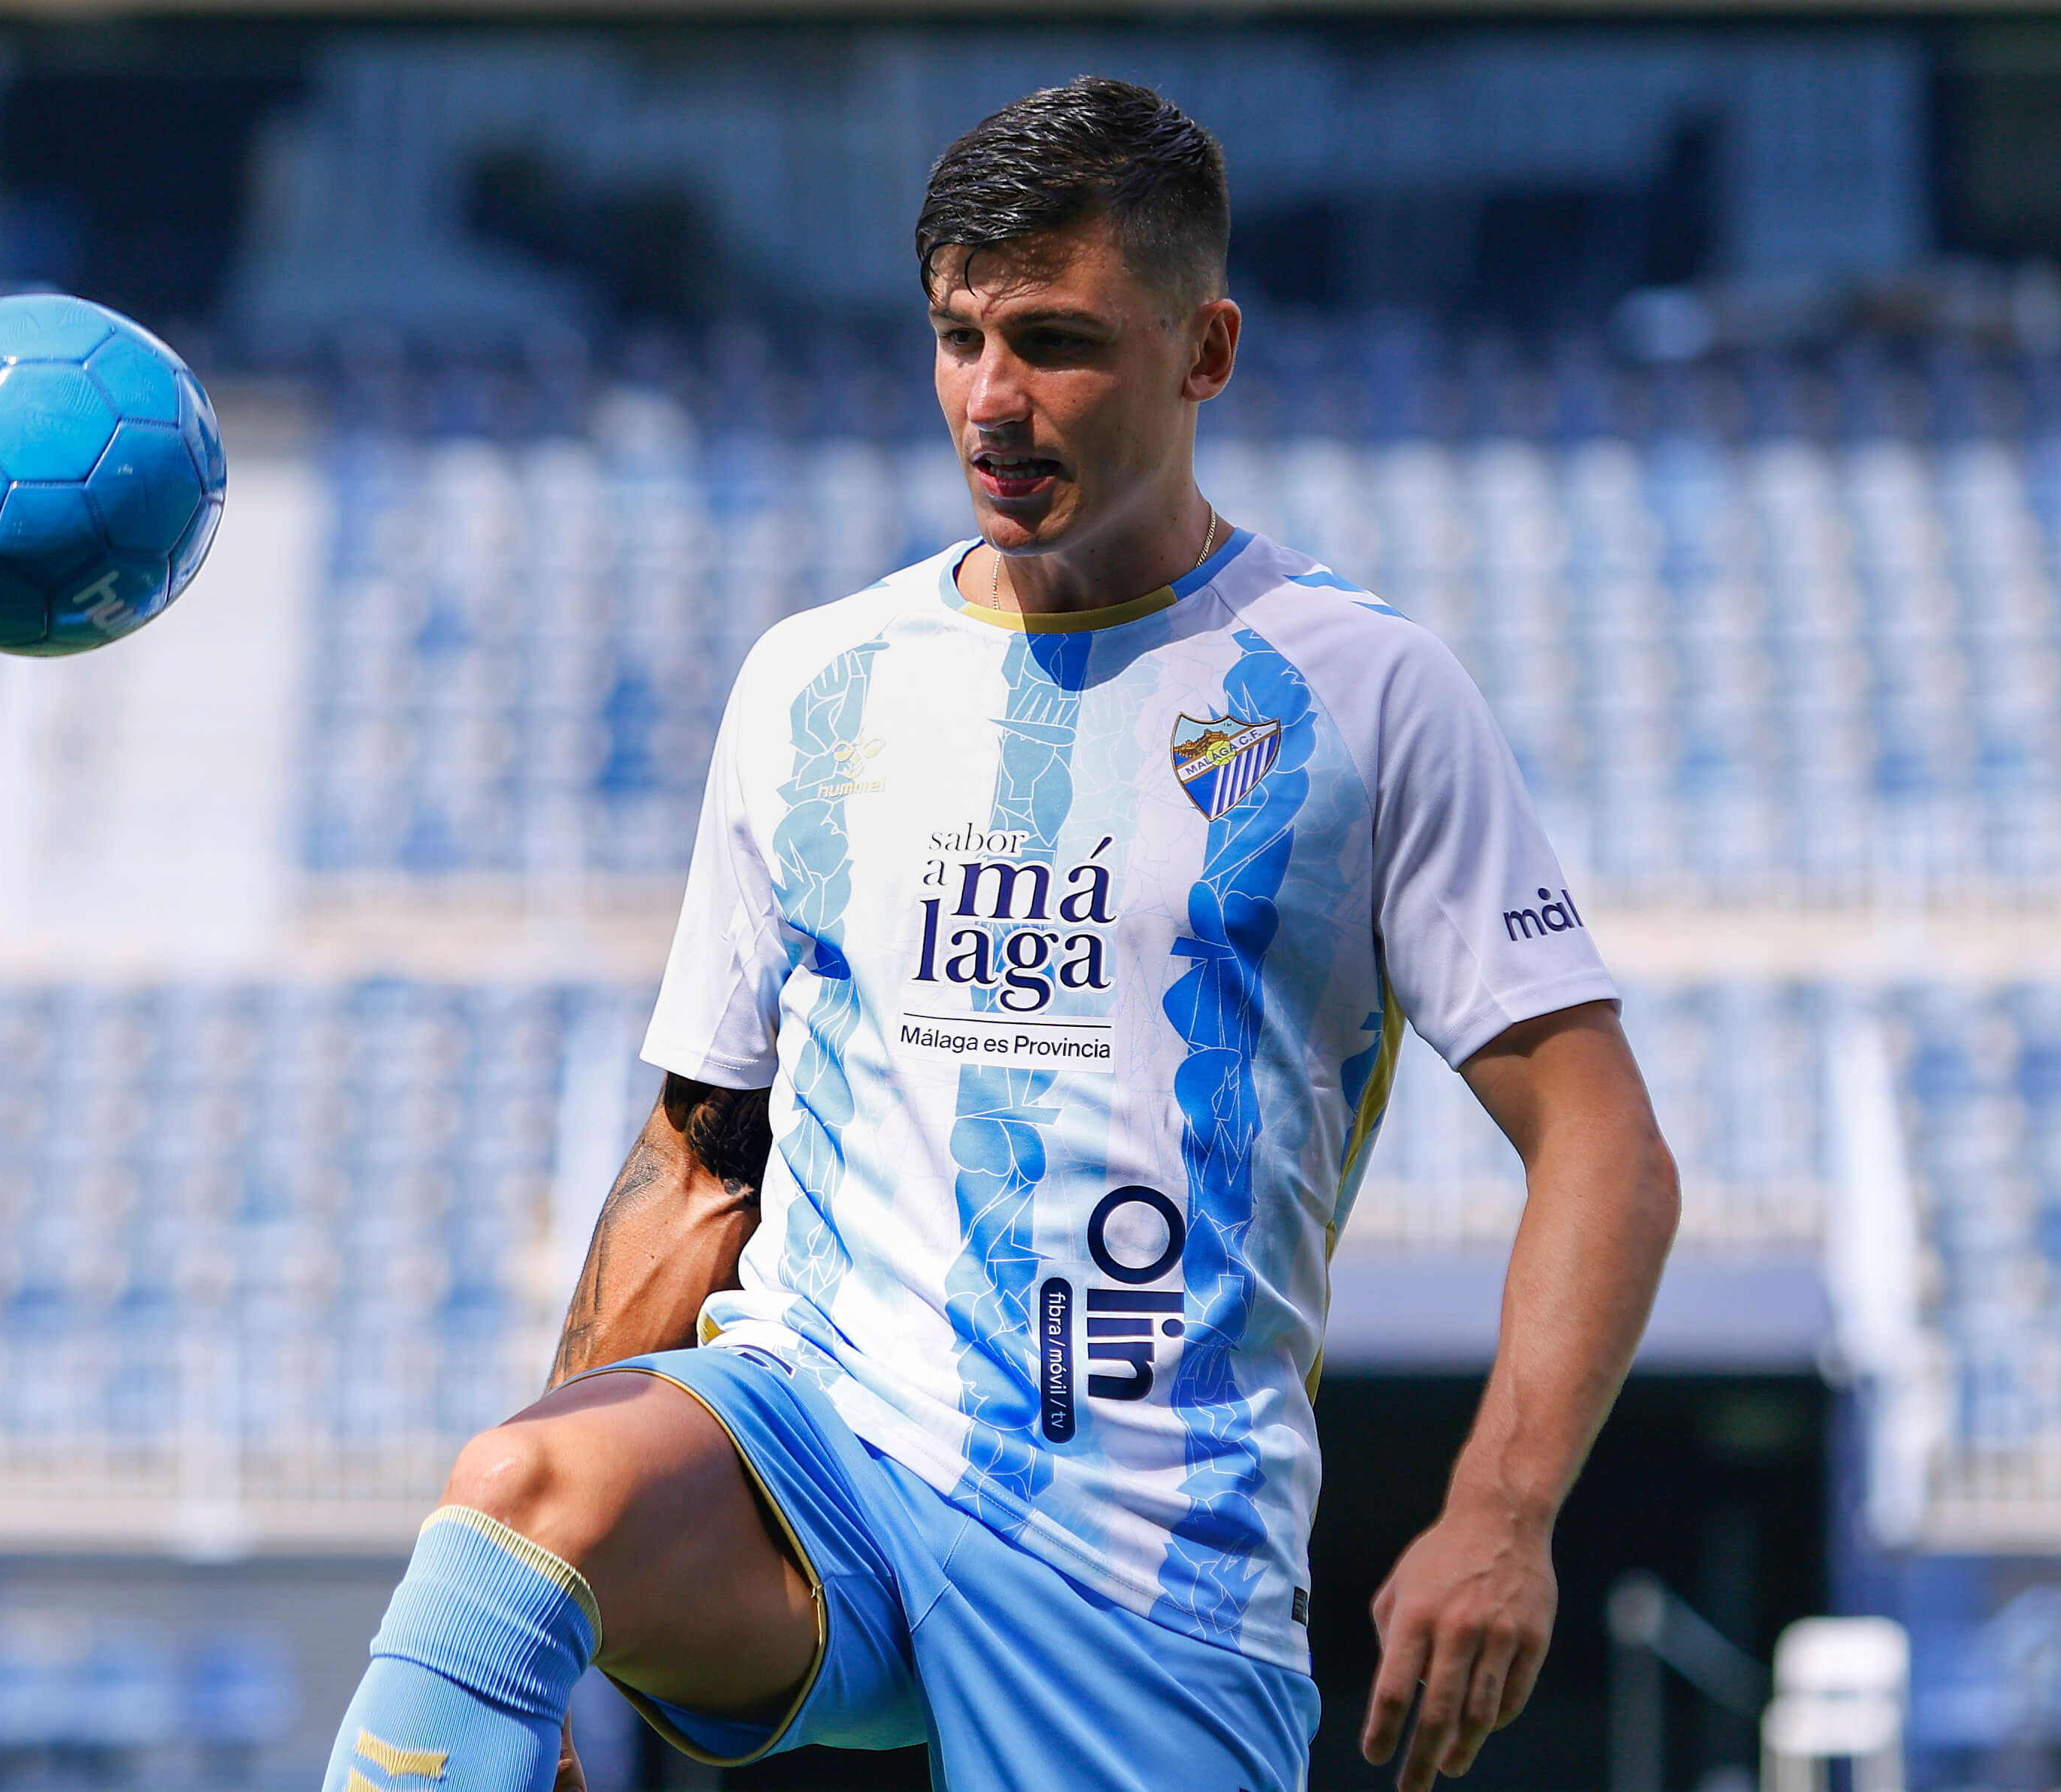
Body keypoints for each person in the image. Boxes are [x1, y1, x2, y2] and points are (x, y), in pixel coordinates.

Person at [318, 76, 1678, 1792]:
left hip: (1138, 1547)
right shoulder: (817, 679)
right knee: (505, 1509)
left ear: (1205, 352)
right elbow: (700, 1150)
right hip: (819, 1441)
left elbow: (1604, 1145)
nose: (990, 399)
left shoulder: (1360, 689)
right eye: (957, 335)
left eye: (1053, 340)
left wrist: (1497, 1513)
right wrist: (554, 1614)